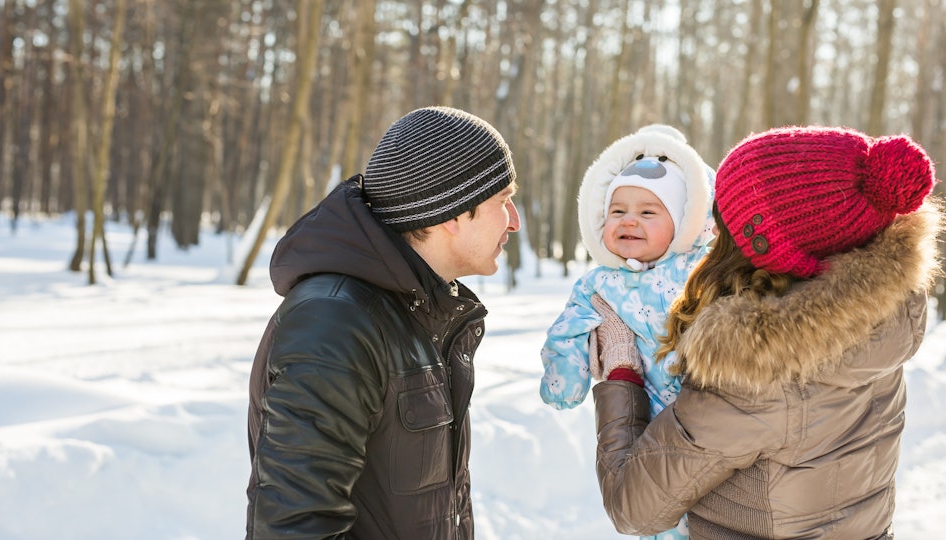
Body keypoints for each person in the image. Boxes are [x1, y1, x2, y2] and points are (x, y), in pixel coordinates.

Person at [590, 125, 940, 539]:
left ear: (760, 248)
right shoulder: (880, 318)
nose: (714, 232)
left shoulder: (755, 373)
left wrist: (621, 372)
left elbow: (634, 508)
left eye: (726, 220)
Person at [245, 106, 521, 539]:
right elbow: (294, 527)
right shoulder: (335, 325)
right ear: (452, 212)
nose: (515, 221)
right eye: (503, 201)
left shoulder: (422, 313)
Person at [540, 124, 714, 413]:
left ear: (684, 223)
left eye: (647, 212)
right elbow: (567, 333)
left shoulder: (702, 271)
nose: (629, 221)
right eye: (618, 211)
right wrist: (564, 384)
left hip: (707, 410)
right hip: (640, 417)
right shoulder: (597, 285)